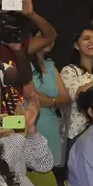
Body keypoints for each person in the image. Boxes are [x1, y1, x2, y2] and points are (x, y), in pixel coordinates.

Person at [31, 35, 70, 168]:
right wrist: (55, 101)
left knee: (53, 174)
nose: (49, 40)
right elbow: (33, 97)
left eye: (51, 38)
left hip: (53, 124)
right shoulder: (24, 65)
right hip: (33, 124)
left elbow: (66, 98)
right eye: (42, 36)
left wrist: (50, 101)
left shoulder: (51, 65)